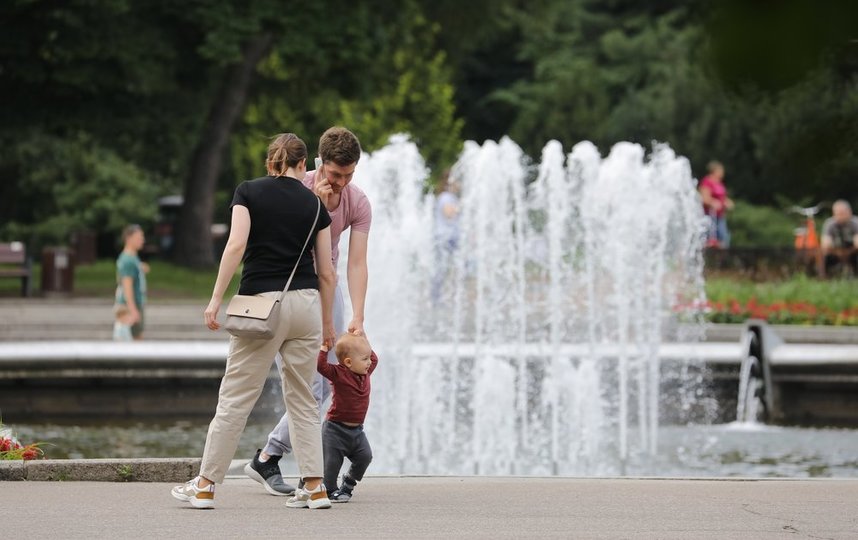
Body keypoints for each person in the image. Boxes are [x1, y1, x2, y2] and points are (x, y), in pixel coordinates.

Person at [171, 133, 336, 510]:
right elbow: (326, 272)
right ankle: (315, 486)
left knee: (235, 398)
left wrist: (216, 298)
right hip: (307, 306)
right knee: (304, 400)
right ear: (303, 165)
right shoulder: (315, 206)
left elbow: (236, 245)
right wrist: (327, 324)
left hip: (261, 306)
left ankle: (206, 485)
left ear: (270, 162)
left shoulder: (248, 192)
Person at [244, 126, 372, 496]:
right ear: (320, 164)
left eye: (349, 175)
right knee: (308, 388)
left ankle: (270, 458)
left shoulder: (358, 202)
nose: (342, 182)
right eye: (335, 174)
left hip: (329, 295)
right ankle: (279, 461)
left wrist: (357, 316)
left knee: (332, 383)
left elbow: (357, 263)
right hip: (289, 292)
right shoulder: (299, 190)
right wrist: (314, 207)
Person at [317, 332, 379, 503]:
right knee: (330, 466)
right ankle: (328, 489)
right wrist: (324, 348)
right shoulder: (338, 373)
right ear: (348, 362)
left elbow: (375, 359)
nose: (369, 362)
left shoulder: (365, 373)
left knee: (365, 456)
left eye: (368, 358)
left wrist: (363, 338)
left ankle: (348, 484)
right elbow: (321, 367)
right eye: (365, 359)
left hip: (357, 431)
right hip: (335, 430)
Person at [431, 170, 461, 305]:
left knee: (451, 267)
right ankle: (436, 298)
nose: (459, 184)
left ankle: (444, 296)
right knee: (442, 268)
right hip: (445, 238)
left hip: (450, 237)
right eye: (457, 181)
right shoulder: (446, 197)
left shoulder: (450, 197)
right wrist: (462, 207)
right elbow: (449, 214)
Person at [114, 224, 148, 340]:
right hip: (130, 305)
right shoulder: (128, 260)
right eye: (139, 237)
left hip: (131, 304)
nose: (142, 240)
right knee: (135, 340)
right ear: (129, 238)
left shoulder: (129, 257)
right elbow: (127, 285)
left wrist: (141, 267)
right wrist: (133, 310)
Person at [698, 161, 733, 249]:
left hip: (720, 216)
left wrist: (726, 202)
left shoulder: (719, 183)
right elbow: (704, 198)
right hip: (709, 216)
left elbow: (722, 197)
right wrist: (712, 202)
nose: (723, 173)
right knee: (707, 239)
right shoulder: (707, 182)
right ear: (715, 171)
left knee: (723, 238)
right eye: (721, 170)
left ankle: (721, 260)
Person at [821, 199, 858, 276]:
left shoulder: (855, 222)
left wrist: (848, 252)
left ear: (849, 212)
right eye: (837, 214)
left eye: (842, 213)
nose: (840, 216)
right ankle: (824, 277)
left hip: (852, 251)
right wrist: (837, 252)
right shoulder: (830, 224)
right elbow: (825, 244)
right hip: (835, 251)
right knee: (823, 256)